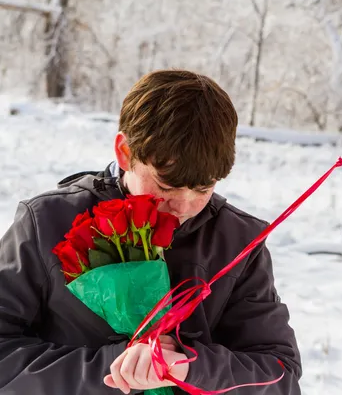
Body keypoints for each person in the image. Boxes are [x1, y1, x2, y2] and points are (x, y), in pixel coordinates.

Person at [0, 69, 302, 394]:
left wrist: (190, 367)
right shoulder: (47, 221)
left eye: (203, 188)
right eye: (167, 186)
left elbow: (279, 376)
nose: (184, 206)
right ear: (125, 153)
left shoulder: (239, 243)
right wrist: (115, 369)